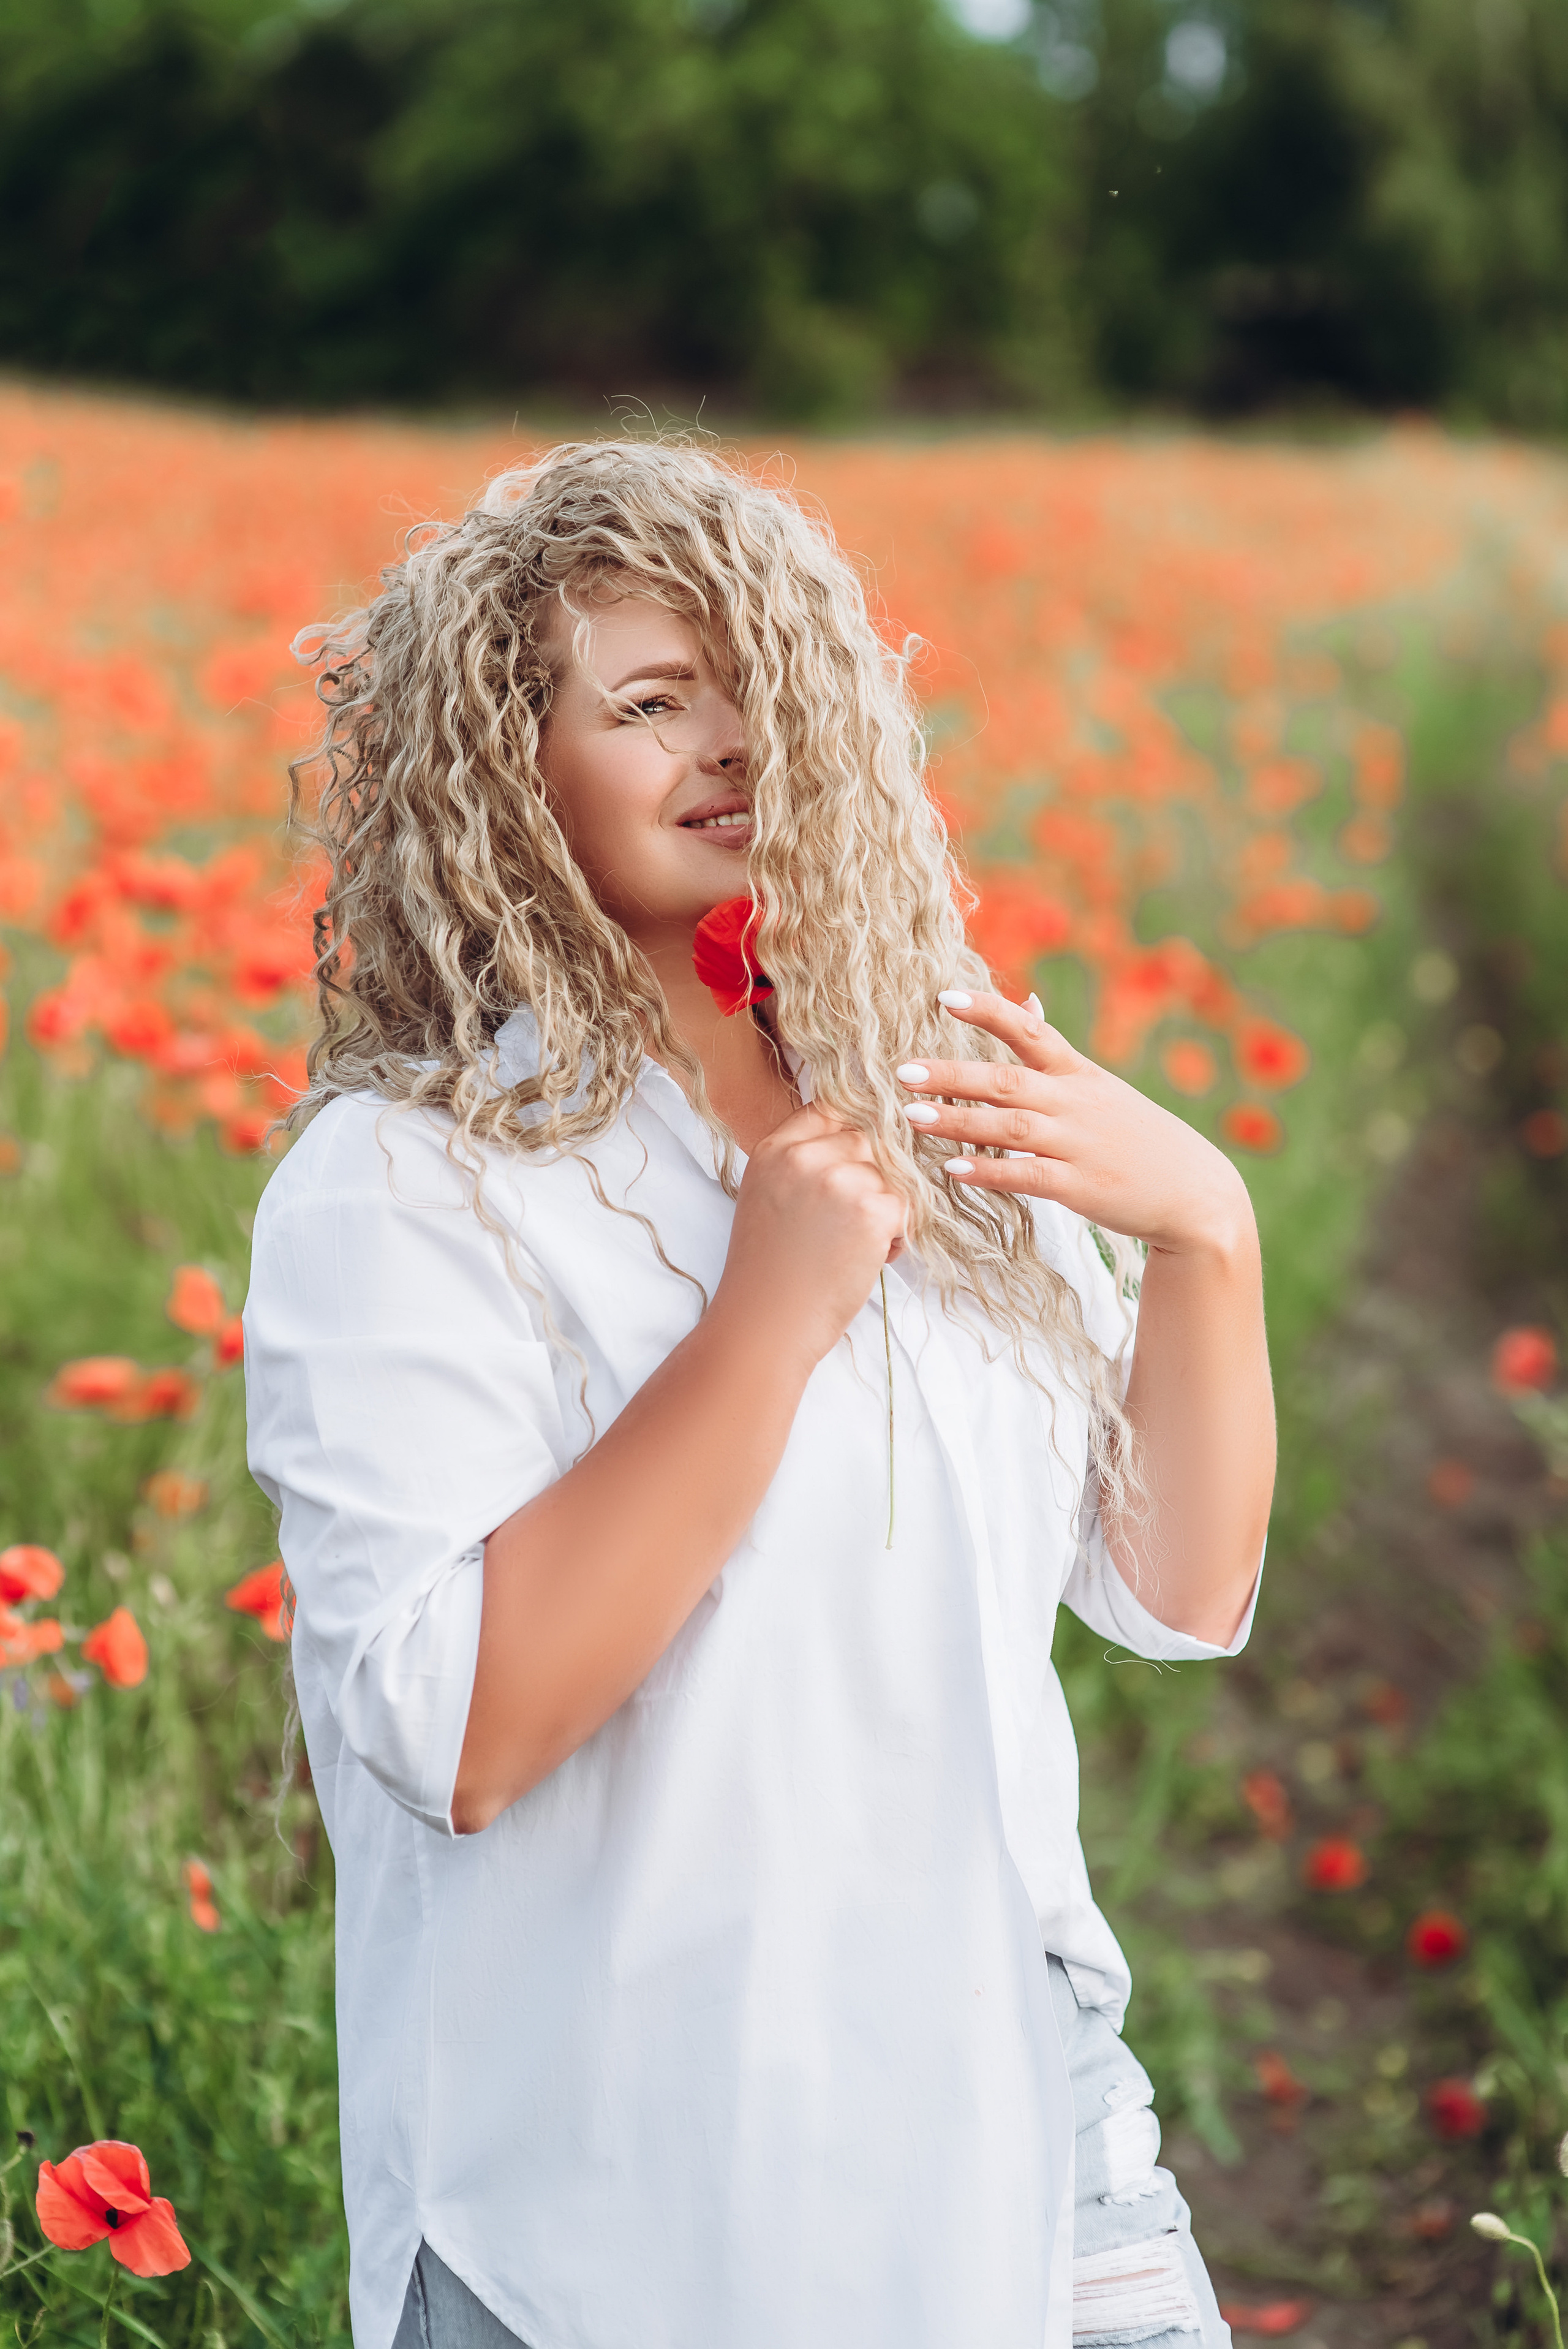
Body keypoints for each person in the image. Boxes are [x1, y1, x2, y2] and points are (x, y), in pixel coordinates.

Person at [244, 439, 1274, 2349]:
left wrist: (1207, 1231)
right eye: (647, 702)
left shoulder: (929, 1104)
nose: (727, 743)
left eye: (755, 688)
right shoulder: (402, 1184)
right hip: (625, 2181)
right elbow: (457, 1727)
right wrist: (760, 1321)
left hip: (1024, 2111)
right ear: (506, 769)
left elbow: (1170, 1587)